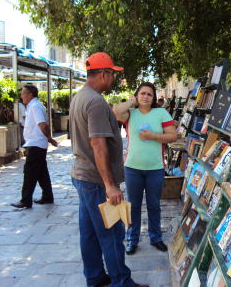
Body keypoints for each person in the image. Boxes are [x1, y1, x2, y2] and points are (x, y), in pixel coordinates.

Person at [69, 52, 147, 287]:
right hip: (95, 180)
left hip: (82, 176)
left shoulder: (80, 97)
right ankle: (121, 281)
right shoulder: (95, 102)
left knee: (90, 233)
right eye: (112, 74)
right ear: (103, 74)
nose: (113, 78)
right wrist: (110, 185)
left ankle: (94, 277)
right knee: (112, 233)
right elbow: (98, 145)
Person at [113, 82, 177, 255]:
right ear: (137, 95)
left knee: (154, 205)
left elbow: (173, 135)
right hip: (132, 168)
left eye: (149, 94)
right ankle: (132, 239)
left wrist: (153, 136)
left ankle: (155, 238)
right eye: (142, 93)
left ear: (154, 97)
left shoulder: (161, 113)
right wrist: (131, 101)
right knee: (133, 205)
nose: (146, 96)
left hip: (155, 168)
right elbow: (116, 111)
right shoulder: (130, 113)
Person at [11, 84, 57, 209]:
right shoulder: (33, 106)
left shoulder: (35, 106)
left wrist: (49, 138)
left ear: (30, 94)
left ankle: (25, 200)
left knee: (29, 173)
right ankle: (47, 197)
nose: (21, 96)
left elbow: (43, 125)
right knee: (42, 173)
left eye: (23, 93)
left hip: (36, 144)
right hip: (36, 144)